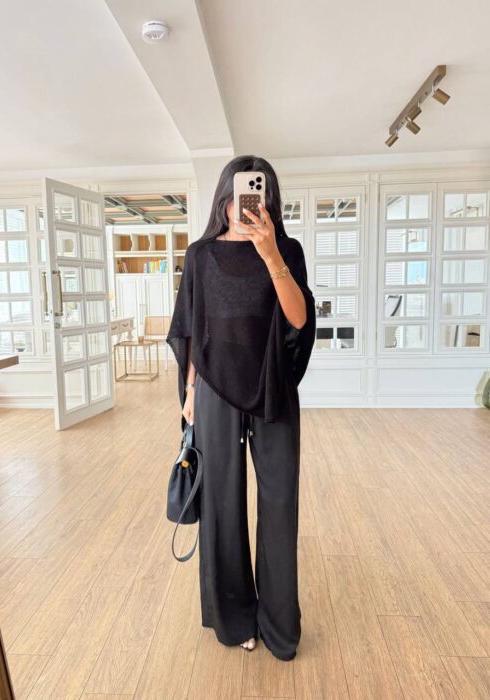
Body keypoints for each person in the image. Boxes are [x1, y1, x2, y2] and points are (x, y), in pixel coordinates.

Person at [166, 155, 316, 661]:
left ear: (269, 200)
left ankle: (279, 627)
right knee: (222, 507)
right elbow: (192, 329)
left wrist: (270, 253)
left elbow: (299, 319)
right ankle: (234, 621)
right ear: (223, 198)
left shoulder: (287, 250)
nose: (244, 204)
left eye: (256, 193)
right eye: (237, 194)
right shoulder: (201, 255)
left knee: (279, 506)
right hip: (215, 390)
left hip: (273, 387)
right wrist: (190, 391)